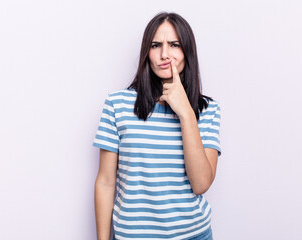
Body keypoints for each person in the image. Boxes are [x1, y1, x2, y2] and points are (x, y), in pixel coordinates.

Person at [93, 12, 221, 240]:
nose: (165, 54)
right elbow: (105, 181)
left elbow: (201, 184)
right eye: (156, 45)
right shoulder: (118, 105)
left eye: (174, 45)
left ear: (187, 51)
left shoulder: (208, 110)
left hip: (193, 235)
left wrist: (186, 114)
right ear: (147, 52)